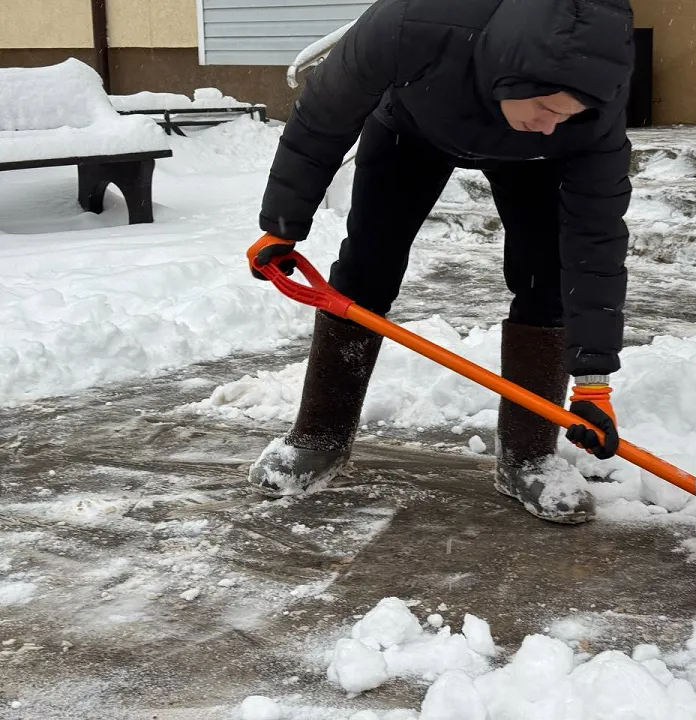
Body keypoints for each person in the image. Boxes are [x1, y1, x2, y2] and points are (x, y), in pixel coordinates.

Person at [246, 0, 634, 524]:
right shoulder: (412, 23)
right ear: (516, 74)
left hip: (535, 167)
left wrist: (593, 382)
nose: (551, 124)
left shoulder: (587, 116)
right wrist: (281, 227)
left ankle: (530, 455)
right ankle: (319, 436)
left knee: (548, 280)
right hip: (414, 127)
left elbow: (595, 246)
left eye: (566, 115)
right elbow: (323, 120)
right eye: (548, 108)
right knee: (366, 268)